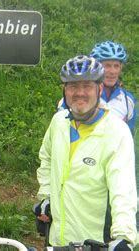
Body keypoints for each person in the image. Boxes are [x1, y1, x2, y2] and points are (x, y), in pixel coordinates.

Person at [35, 55, 137, 250]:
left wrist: (124, 235)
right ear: (64, 90)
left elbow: (123, 190)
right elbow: (46, 158)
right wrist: (46, 196)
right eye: (73, 86)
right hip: (56, 240)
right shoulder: (59, 122)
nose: (79, 93)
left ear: (99, 89)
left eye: (87, 86)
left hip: (96, 243)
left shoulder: (116, 132)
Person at [58, 41, 136, 136]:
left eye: (116, 66)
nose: (113, 71)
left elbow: (129, 136)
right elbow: (61, 132)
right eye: (107, 65)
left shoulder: (128, 101)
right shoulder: (77, 97)